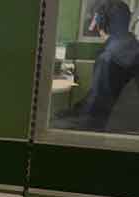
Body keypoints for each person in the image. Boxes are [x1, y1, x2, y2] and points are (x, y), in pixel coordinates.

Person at [54, 0, 139, 131]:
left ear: (101, 22)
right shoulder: (133, 46)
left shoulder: (108, 58)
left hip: (109, 126)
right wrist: (73, 110)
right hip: (130, 125)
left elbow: (95, 110)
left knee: (54, 123)